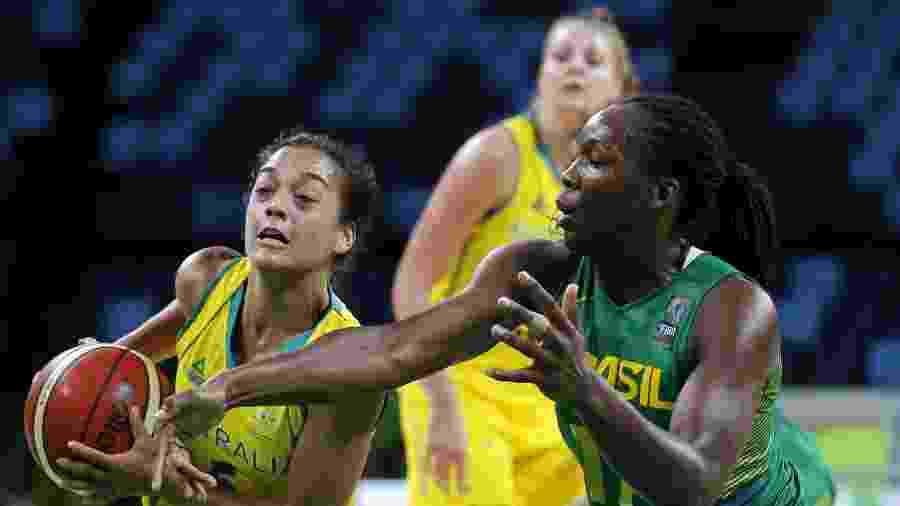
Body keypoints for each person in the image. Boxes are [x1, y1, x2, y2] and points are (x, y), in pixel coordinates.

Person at [155, 94, 836, 506]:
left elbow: (695, 487)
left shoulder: (732, 310)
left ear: (659, 195)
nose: (566, 174)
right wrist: (231, 386)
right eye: (572, 155)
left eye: (596, 161)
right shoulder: (539, 273)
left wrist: (585, 390)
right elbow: (397, 349)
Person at [48, 129, 385, 506]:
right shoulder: (205, 282)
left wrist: (170, 486)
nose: (274, 207)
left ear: (343, 236)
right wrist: (76, 376)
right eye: (264, 191)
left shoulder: (351, 370)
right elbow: (118, 363)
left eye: (304, 198)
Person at [391, 7, 638, 505]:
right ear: (541, 74)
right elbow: (411, 286)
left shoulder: (622, 186)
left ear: (623, 90)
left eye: (592, 60)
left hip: (550, 401)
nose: (573, 67)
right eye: (560, 55)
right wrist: (439, 404)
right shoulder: (495, 156)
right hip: (464, 390)